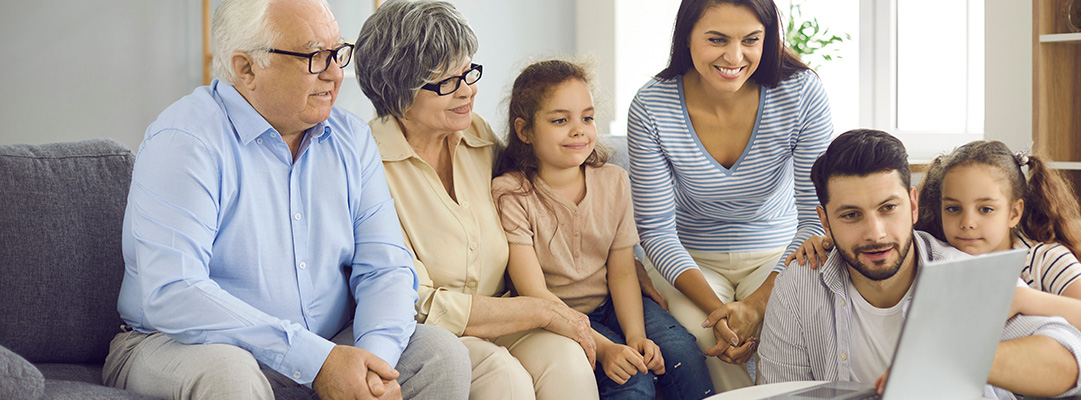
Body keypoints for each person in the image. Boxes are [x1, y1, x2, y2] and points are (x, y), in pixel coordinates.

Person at [103, 0, 470, 399]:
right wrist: (316, 361)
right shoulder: (186, 141)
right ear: (246, 69)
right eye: (314, 56)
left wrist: (370, 366)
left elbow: (386, 268)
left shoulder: (352, 138)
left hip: (329, 344)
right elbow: (174, 292)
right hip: (183, 345)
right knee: (230, 373)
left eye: (337, 53)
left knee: (440, 354)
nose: (335, 73)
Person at [355, 2, 604, 399]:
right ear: (399, 90)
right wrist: (538, 309)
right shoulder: (367, 164)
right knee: (505, 379)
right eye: (448, 82)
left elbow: (537, 202)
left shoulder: (477, 133)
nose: (469, 90)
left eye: (469, 72)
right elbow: (412, 300)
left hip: (505, 311)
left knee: (569, 363)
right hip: (433, 334)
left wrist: (618, 262)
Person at [759, 129, 1081, 398]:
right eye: (851, 215)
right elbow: (780, 393)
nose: (875, 234)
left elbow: (1075, 360)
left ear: (913, 204)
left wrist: (959, 358)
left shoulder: (964, 275)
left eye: (888, 208)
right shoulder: (799, 286)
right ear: (825, 221)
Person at [627, 0, 833, 390]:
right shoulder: (651, 106)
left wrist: (756, 306)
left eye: (751, 40)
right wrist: (718, 312)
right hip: (690, 262)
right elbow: (655, 231)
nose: (735, 56)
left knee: (789, 323)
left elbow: (815, 216)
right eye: (717, 39)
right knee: (709, 338)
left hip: (781, 254)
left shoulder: (801, 93)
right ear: (686, 37)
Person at [491, 59, 715, 400]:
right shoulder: (512, 194)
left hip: (613, 301)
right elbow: (534, 292)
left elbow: (623, 272)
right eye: (560, 120)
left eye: (587, 117)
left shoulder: (614, 182)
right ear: (524, 131)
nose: (579, 129)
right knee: (631, 379)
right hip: (555, 314)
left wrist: (636, 334)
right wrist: (608, 347)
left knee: (681, 353)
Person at [913, 140, 1081, 399]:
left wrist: (1022, 298)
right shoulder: (946, 262)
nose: (967, 223)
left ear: (1014, 213)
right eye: (953, 209)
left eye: (985, 209)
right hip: (1039, 384)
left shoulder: (1044, 258)